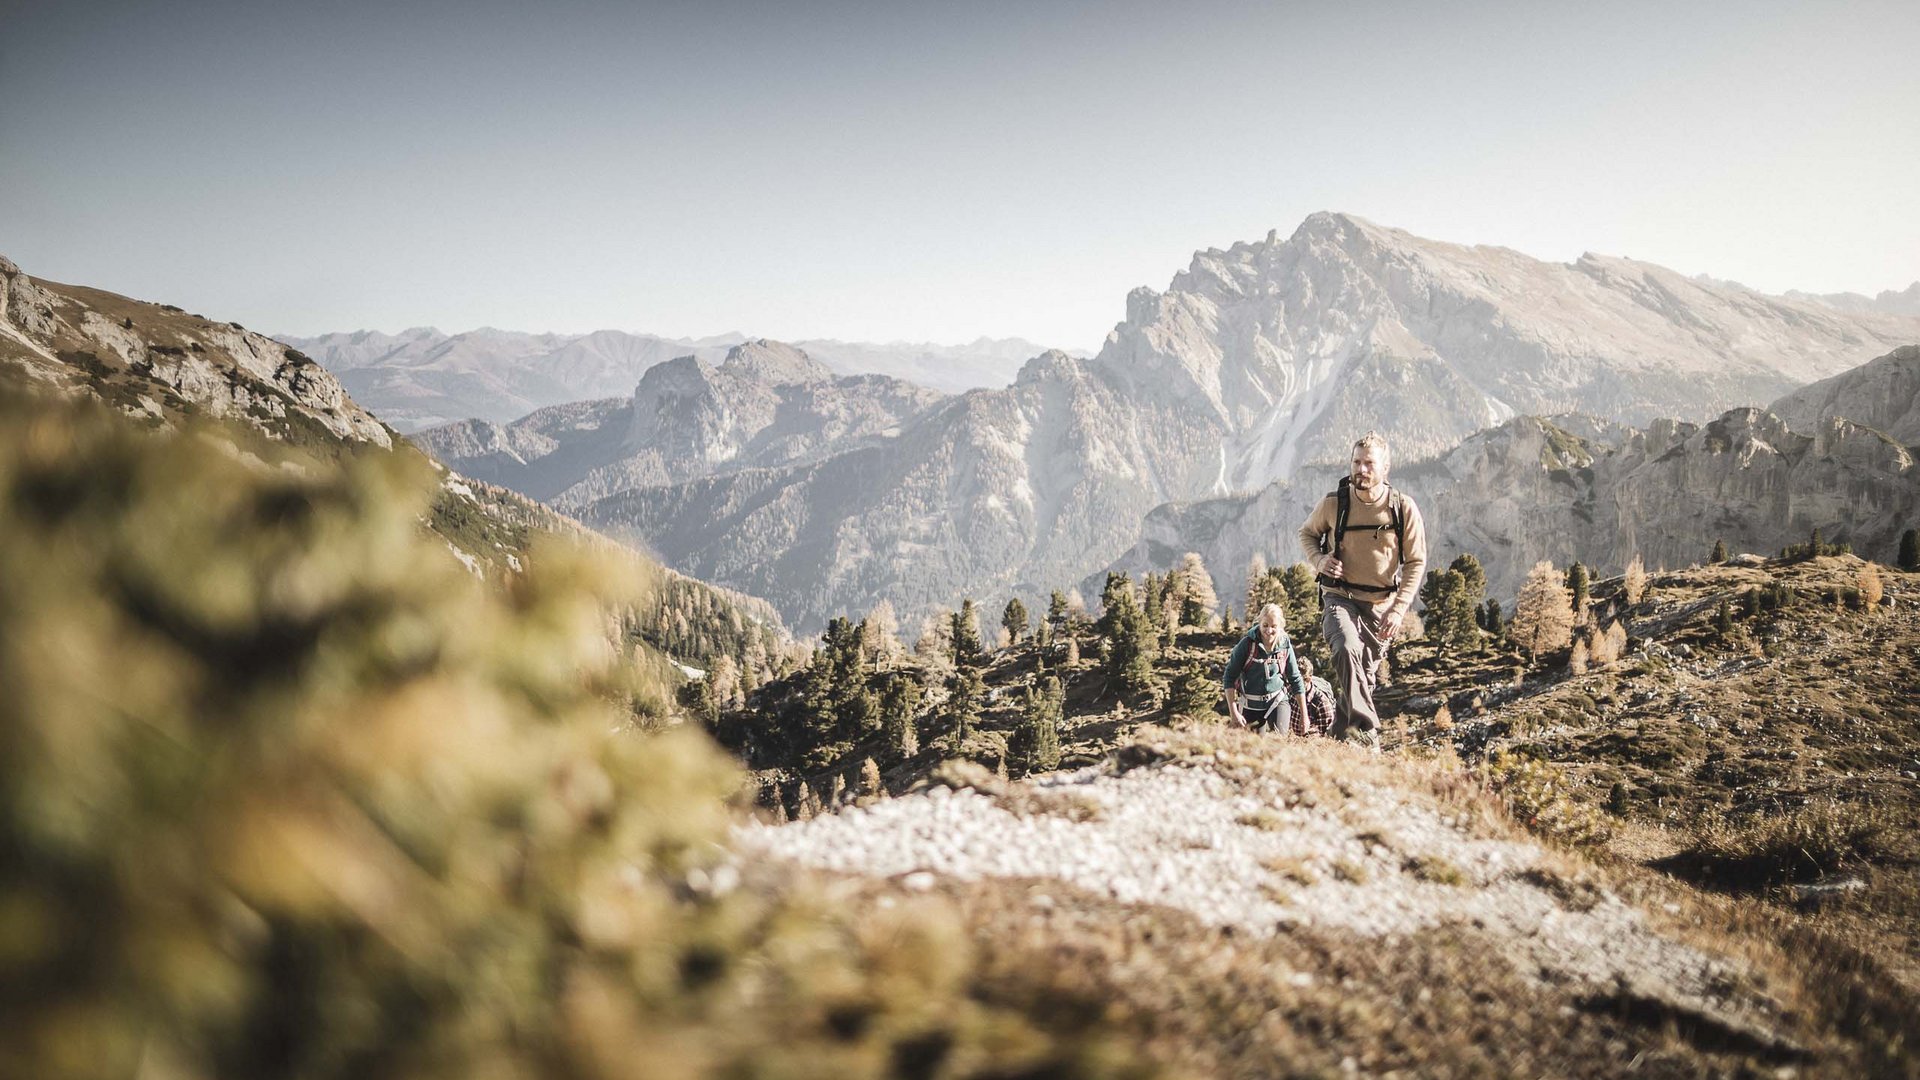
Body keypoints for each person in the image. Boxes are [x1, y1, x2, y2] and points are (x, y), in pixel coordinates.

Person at [1296, 431, 1427, 749]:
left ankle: (1337, 745)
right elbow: (1307, 534)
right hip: (1340, 597)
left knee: (1361, 679)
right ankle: (1368, 733)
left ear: (1386, 468)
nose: (1361, 470)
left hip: (1381, 607)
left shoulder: (1402, 509)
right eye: (1356, 462)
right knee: (1345, 647)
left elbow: (1415, 562)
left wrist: (1398, 609)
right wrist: (1320, 560)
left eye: (1369, 464)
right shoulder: (1334, 504)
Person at [1222, 602, 1307, 734]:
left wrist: (1304, 715)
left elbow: (1295, 679)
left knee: (1279, 741)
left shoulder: (1284, 644)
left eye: (1274, 626)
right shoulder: (1247, 645)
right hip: (1250, 704)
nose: (1269, 631)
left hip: (1277, 700)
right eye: (1265, 625)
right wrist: (1234, 713)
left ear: (1280, 626)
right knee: (1254, 747)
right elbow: (1229, 678)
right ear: (1259, 623)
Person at [1295, 656, 1336, 736]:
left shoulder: (1321, 703)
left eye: (1297, 681)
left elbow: (1326, 737)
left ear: (1308, 679)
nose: (1292, 685)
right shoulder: (1289, 693)